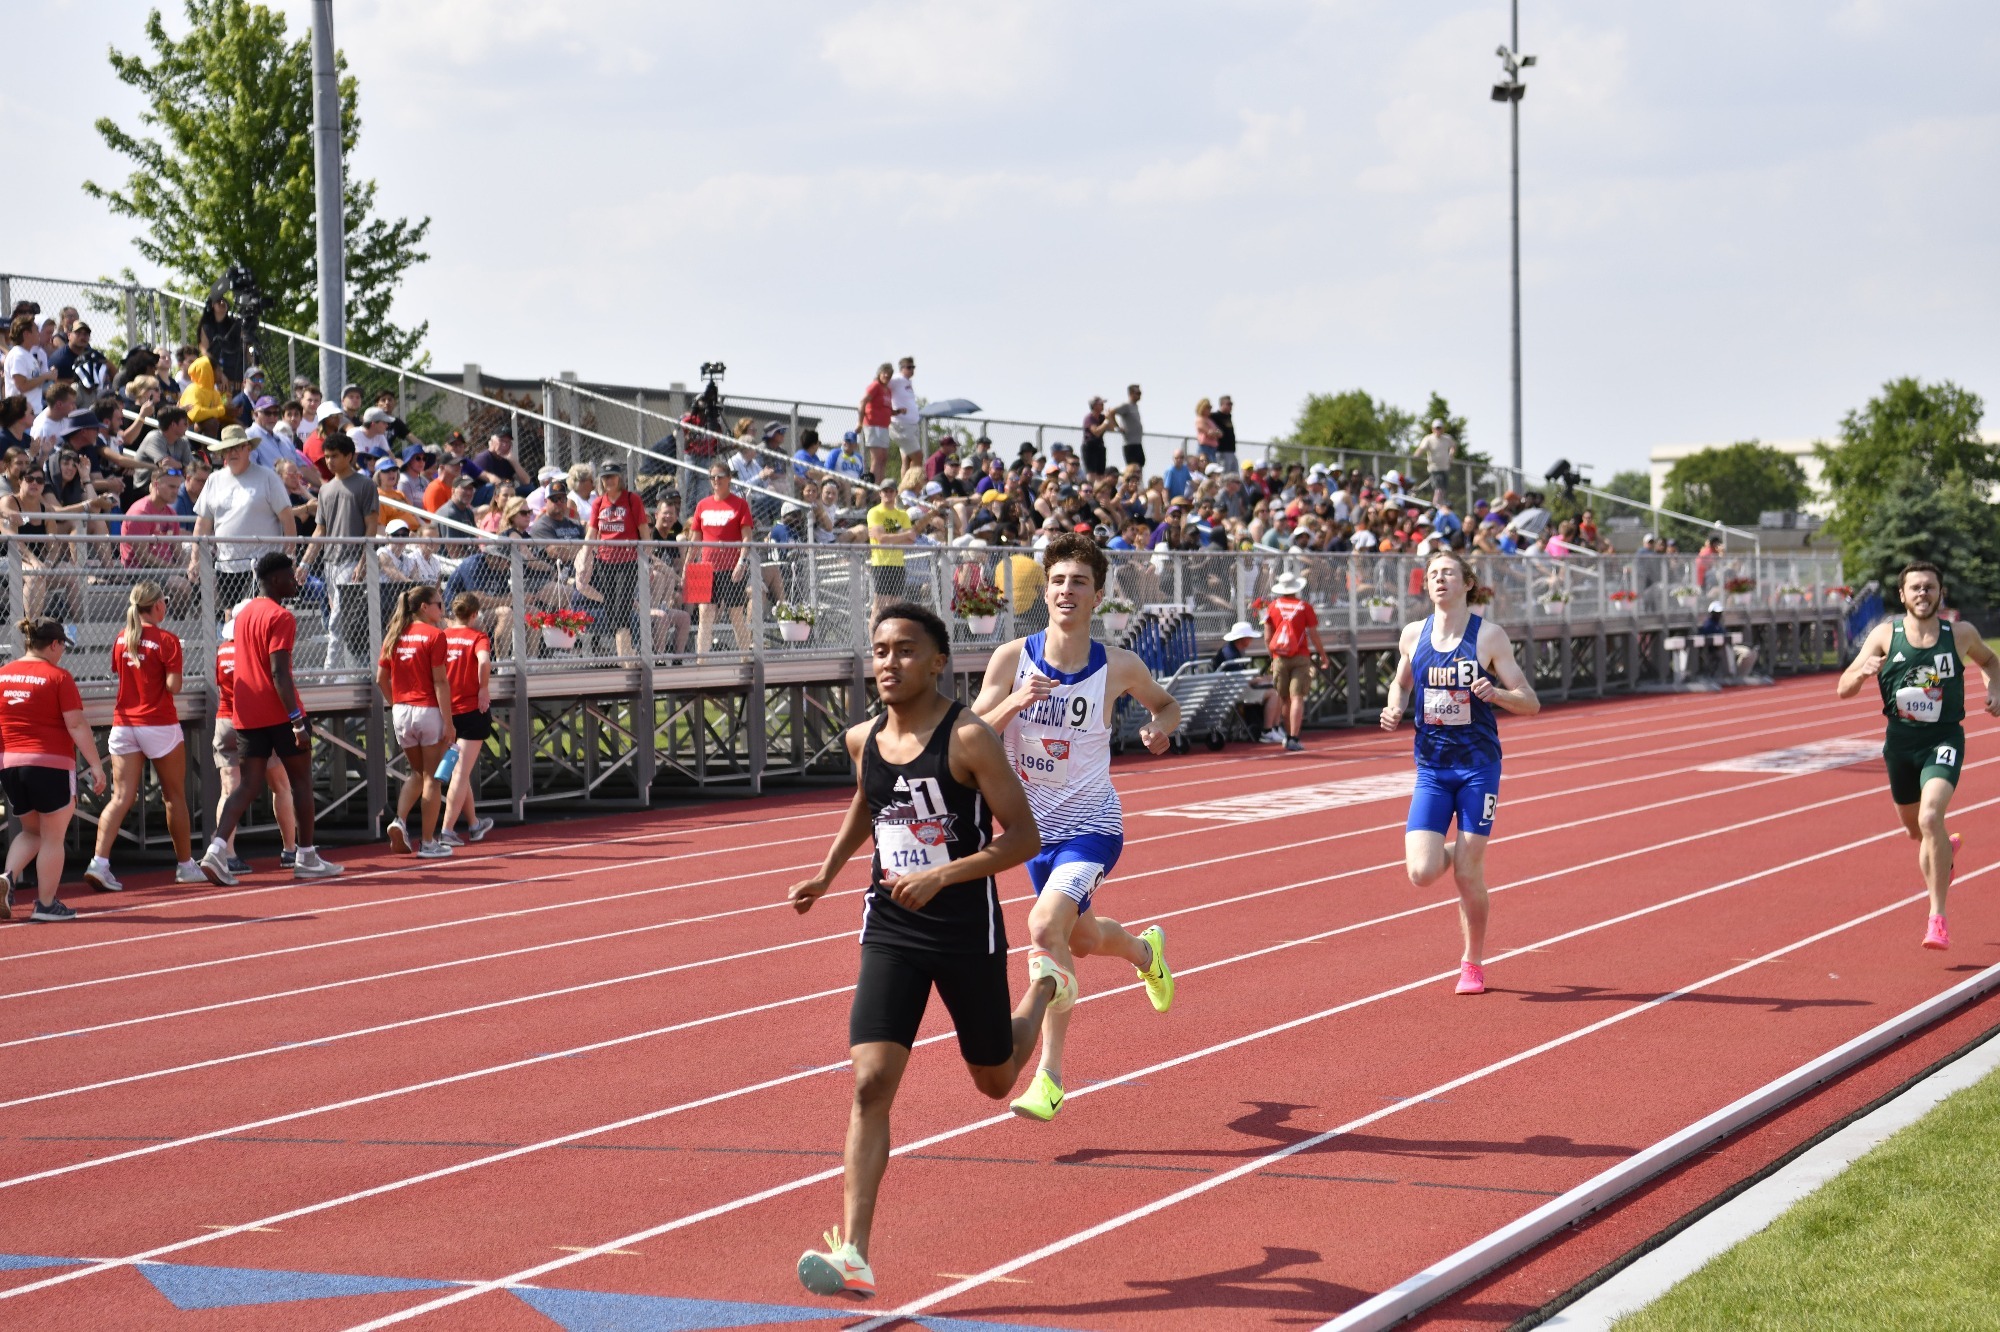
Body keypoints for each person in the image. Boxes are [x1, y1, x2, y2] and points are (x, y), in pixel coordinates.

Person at [787, 603, 1059, 1299]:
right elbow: (867, 803)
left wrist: (944, 873)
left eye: (906, 650)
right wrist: (827, 871)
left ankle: (1048, 987)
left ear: (939, 661)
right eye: (880, 650)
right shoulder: (862, 738)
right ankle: (854, 1251)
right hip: (893, 928)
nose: (889, 662)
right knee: (871, 1081)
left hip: (965, 927)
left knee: (995, 1080)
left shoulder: (970, 739)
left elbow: (1023, 838)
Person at [972, 533, 1178, 1123]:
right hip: (1033, 832)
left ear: (1097, 595)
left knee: (1043, 929)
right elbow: (973, 730)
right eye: (1058, 580)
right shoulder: (1012, 659)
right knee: (1080, 940)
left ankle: (1050, 1078)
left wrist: (1161, 729)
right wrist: (1014, 703)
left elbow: (1166, 704)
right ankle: (1146, 952)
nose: (1067, 590)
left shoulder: (1118, 665)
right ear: (1046, 590)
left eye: (1079, 582)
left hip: (1092, 826)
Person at [1380, 549, 1540, 995]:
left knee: (1469, 876)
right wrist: (1394, 706)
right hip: (1432, 769)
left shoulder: (1489, 636)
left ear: (1467, 582)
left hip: (1477, 769)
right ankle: (1461, 848)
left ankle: (1472, 963)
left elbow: (1531, 701)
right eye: (1432, 574)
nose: (1439, 580)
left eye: (1448, 572)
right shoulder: (1413, 634)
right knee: (1422, 873)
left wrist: (1497, 694)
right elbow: (1402, 680)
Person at [1836, 561, 2000, 950]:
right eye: (1916, 588)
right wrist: (1861, 673)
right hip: (1900, 745)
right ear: (1902, 595)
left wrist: (1995, 688)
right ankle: (1946, 848)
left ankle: (1936, 919)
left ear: (1940, 593)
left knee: (1930, 817)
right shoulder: (1884, 634)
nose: (1923, 594)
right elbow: (1843, 688)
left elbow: (1990, 660)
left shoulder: (1959, 634)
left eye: (1929, 587)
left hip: (1943, 740)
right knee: (1917, 831)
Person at [200, 553, 342, 884]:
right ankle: (305, 855)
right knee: (301, 782)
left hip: (246, 714)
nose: (296, 582)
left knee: (247, 785)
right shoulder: (282, 616)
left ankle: (216, 850)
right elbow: (279, 673)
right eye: (291, 577)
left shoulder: (245, 613)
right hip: (279, 713)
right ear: (276, 580)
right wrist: (296, 719)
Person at [84, 583, 204, 891]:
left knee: (121, 797)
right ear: (157, 607)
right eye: (164, 601)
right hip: (158, 723)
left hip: (124, 724)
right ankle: (185, 866)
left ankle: (99, 863)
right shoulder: (167, 640)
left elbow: (121, 673)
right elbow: (174, 686)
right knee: (174, 795)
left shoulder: (122, 638)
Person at [0, 619, 107, 921]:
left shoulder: (2, 675)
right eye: (62, 647)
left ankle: (7, 877)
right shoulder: (58, 677)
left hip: (11, 765)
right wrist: (96, 766)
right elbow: (75, 724)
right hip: (51, 764)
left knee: (31, 831)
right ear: (55, 644)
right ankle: (46, 905)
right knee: (52, 837)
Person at [211, 599, 299, 874]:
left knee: (229, 788)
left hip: (225, 718)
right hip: (256, 719)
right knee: (281, 785)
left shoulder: (223, 651)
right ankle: (289, 850)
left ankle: (227, 853)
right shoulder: (255, 649)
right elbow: (276, 679)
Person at [378, 585, 457, 859]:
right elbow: (440, 681)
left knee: (416, 772)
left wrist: (397, 703)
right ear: (425, 607)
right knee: (433, 779)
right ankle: (428, 842)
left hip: (401, 712)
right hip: (427, 711)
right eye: (438, 604)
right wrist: (448, 722)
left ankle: (399, 820)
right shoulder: (435, 635)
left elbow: (380, 678)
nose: (442, 608)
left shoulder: (395, 635)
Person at [191, 424, 295, 609]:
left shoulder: (267, 477)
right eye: (227, 449)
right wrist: (194, 559)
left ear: (248, 449)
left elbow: (287, 519)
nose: (232, 453)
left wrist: (288, 557)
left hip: (262, 565)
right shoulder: (214, 480)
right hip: (226, 564)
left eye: (238, 447)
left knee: (260, 614)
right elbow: (202, 524)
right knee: (231, 617)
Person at [438, 593, 497, 846]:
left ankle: (473, 824)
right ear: (474, 615)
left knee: (459, 770)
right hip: (471, 709)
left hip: (445, 711)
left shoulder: (443, 636)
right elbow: (484, 661)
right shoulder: (478, 637)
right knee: (461, 773)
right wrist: (483, 687)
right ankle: (446, 830)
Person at [582, 460, 648, 658]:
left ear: (620, 478)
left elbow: (644, 532)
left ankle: (624, 656)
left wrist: (647, 560)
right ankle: (626, 651)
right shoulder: (598, 502)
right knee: (611, 609)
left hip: (627, 561)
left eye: (612, 476)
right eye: (605, 477)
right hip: (605, 561)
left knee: (622, 607)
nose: (608, 480)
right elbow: (592, 533)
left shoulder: (631, 499)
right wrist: (585, 558)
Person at [688, 462, 755, 655]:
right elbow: (695, 539)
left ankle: (744, 657)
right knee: (704, 614)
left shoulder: (740, 504)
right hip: (704, 567)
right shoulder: (702, 505)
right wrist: (688, 565)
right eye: (712, 477)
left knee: (735, 614)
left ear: (729, 478)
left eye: (720, 476)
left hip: (731, 567)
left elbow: (747, 537)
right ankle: (701, 661)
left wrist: (741, 562)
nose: (716, 480)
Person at [1262, 573, 1328, 752]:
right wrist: (1323, 656)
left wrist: (1273, 657)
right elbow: (1313, 635)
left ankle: (1287, 734)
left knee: (1285, 699)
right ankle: (1293, 737)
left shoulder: (1273, 607)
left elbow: (1268, 637)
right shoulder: (1304, 607)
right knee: (1297, 697)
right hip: (1300, 656)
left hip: (1280, 657)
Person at [865, 479, 913, 611]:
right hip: (881, 563)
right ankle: (874, 632)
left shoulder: (902, 514)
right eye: (885, 491)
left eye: (891, 491)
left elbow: (911, 540)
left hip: (898, 564)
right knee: (879, 606)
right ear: (880, 493)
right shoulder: (875, 512)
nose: (888, 493)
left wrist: (888, 536)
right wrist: (902, 535)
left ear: (896, 493)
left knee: (896, 606)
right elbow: (882, 539)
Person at [858, 363, 896, 481]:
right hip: (873, 425)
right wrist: (859, 422)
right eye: (884, 373)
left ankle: (880, 485)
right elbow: (863, 402)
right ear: (879, 373)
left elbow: (885, 408)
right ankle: (874, 488)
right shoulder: (875, 386)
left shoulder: (888, 390)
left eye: (889, 374)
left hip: (884, 426)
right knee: (877, 457)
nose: (886, 376)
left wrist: (897, 412)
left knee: (883, 457)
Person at [888, 356, 919, 470]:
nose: (912, 370)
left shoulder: (907, 382)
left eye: (913, 367)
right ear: (902, 368)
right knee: (914, 457)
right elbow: (882, 385)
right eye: (909, 367)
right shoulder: (897, 379)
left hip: (912, 424)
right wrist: (891, 410)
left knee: (908, 458)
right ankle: (908, 485)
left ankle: (905, 485)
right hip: (902, 424)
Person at [1418, 418, 1456, 501]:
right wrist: (1415, 456)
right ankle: (1436, 504)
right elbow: (1421, 448)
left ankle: (1440, 503)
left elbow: (1453, 446)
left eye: (1439, 428)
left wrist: (1451, 456)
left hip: (1445, 468)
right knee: (1438, 489)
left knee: (1443, 489)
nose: (1438, 430)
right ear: (1433, 429)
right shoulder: (1428, 438)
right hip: (1435, 469)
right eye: (1436, 428)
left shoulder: (1447, 438)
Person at [1110, 384, 1145, 470]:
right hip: (1130, 444)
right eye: (1138, 393)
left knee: (1141, 463)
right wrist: (1117, 427)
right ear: (1131, 393)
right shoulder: (1126, 406)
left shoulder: (1135, 406)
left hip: (1138, 443)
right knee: (1132, 468)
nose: (1140, 395)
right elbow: (1111, 413)